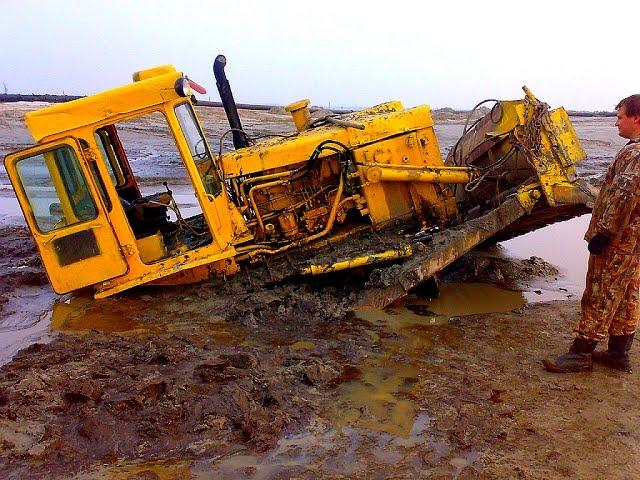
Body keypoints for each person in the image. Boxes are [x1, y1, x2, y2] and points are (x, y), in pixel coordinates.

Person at [544, 94, 640, 373]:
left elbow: (624, 197)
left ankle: (581, 353)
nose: (616, 123)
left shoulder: (635, 155)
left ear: (636, 118)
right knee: (626, 293)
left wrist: (605, 233)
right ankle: (618, 354)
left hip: (620, 239)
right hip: (633, 240)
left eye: (620, 116)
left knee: (601, 290)